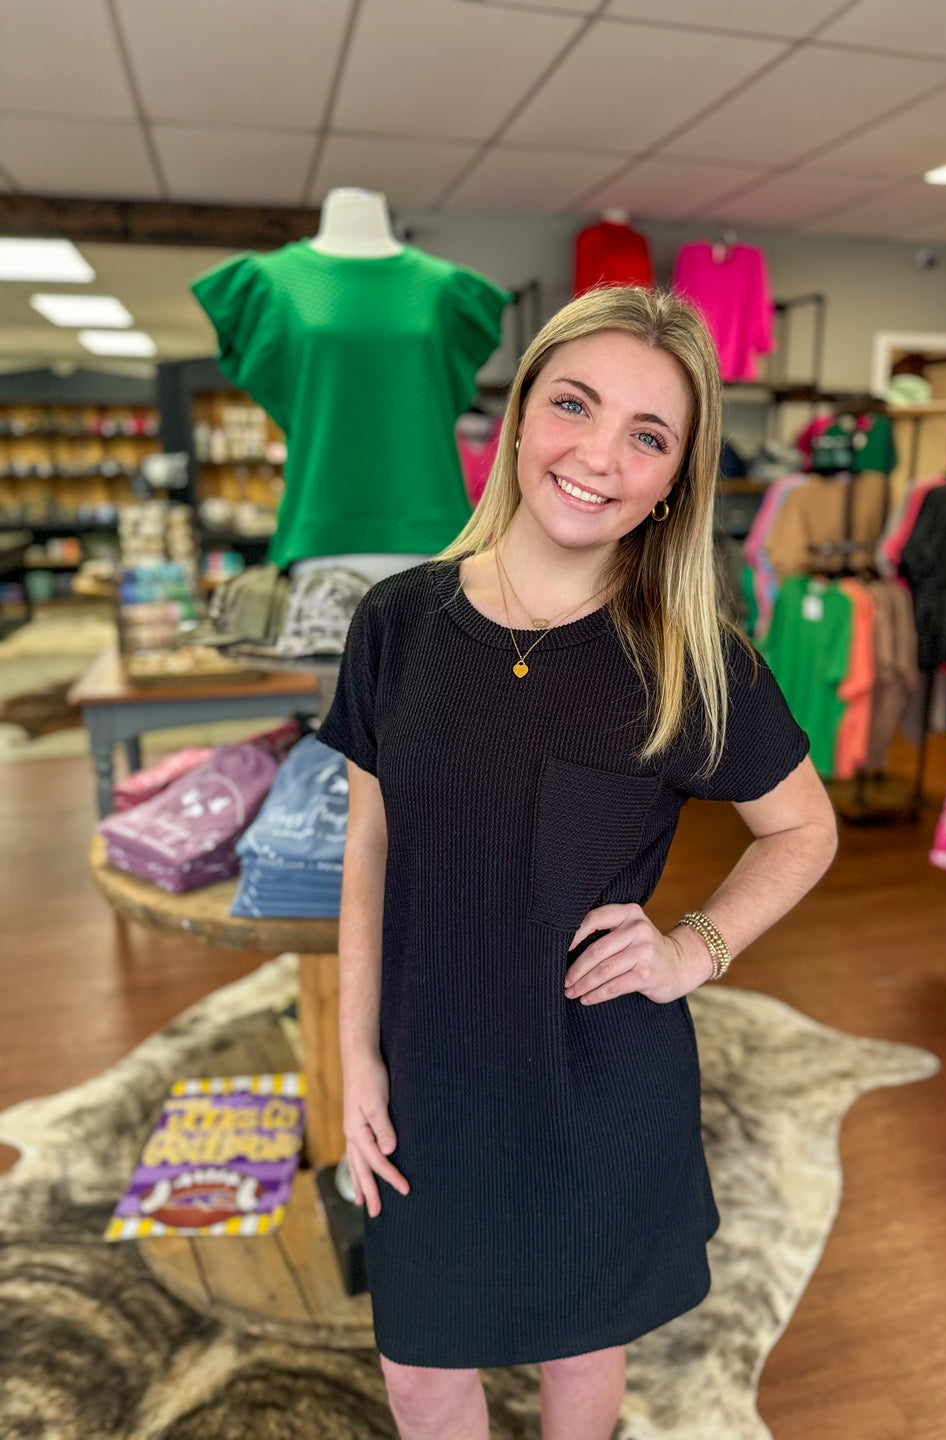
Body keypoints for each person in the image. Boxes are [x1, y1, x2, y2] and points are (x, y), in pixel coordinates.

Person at [317, 285, 838, 1440]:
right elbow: (370, 842)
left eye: (648, 435)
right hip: (431, 1077)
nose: (598, 455)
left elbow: (806, 829)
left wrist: (693, 948)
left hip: (592, 1083)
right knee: (419, 1372)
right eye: (574, 405)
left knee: (577, 1359)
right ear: (517, 419)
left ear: (672, 483)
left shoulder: (693, 661)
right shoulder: (397, 623)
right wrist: (353, 1057)